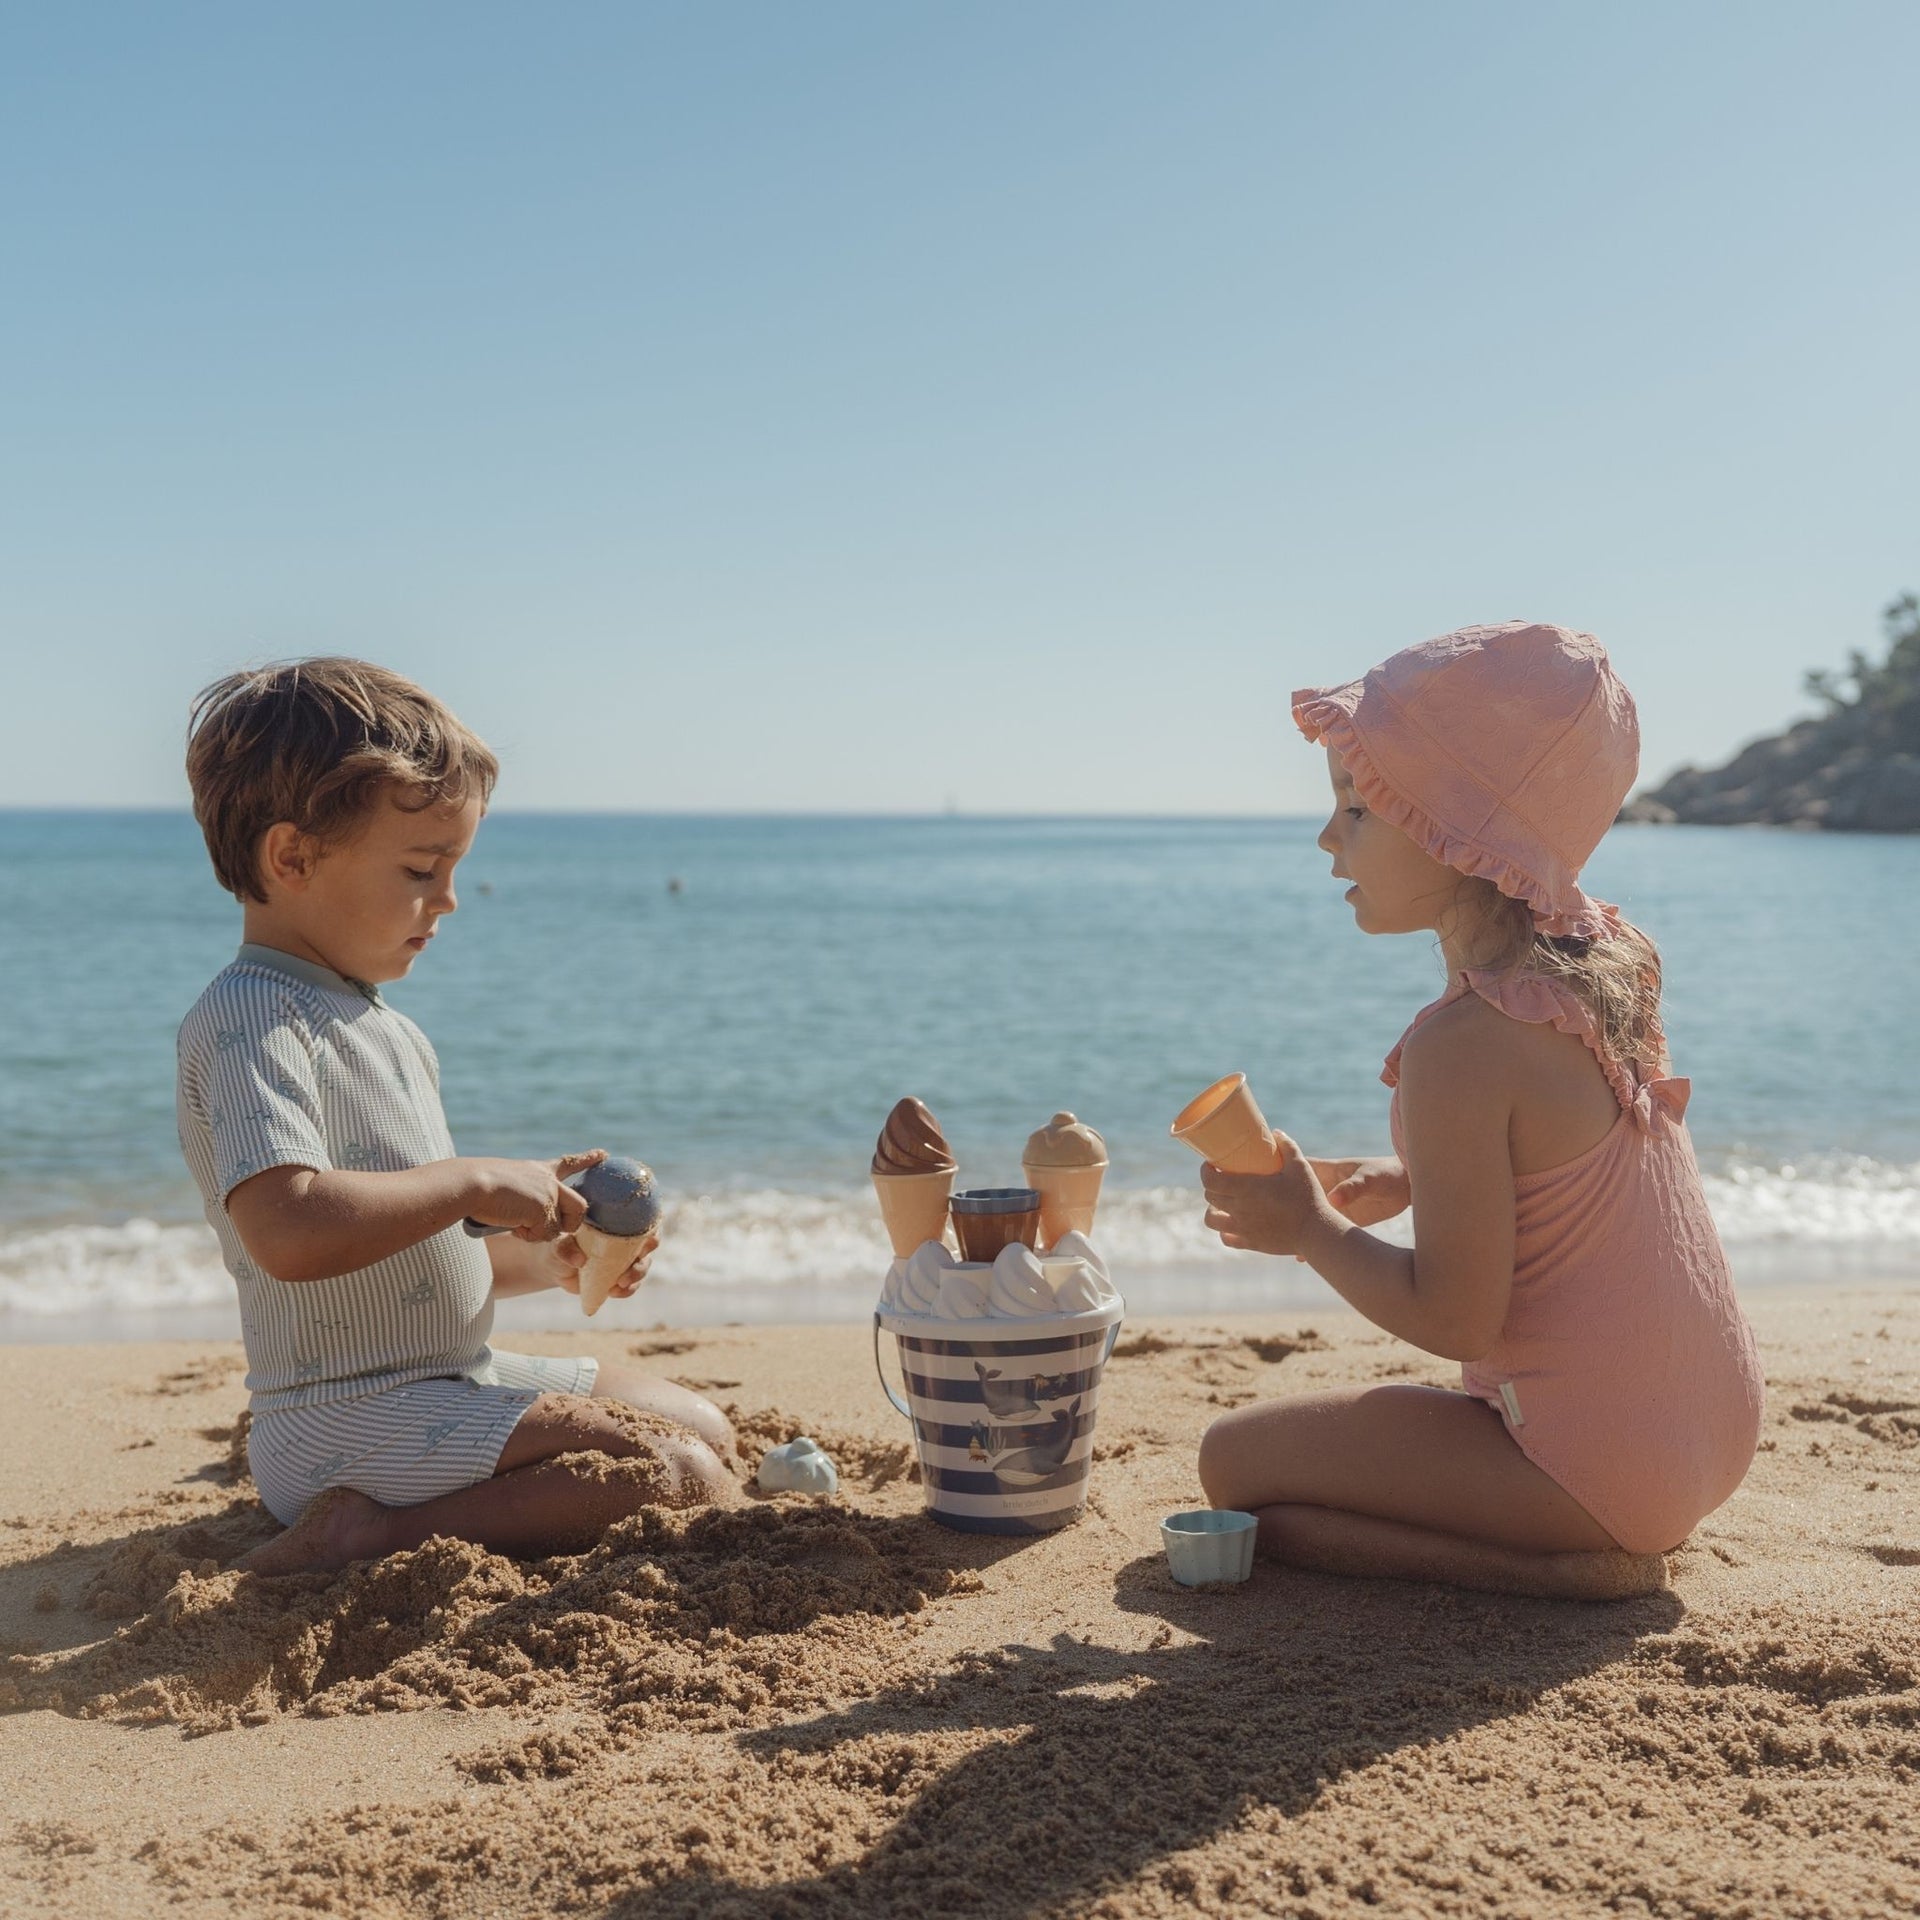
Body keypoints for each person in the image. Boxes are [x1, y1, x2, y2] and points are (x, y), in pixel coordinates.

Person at [1195, 623, 1764, 1599]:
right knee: (1274, 1493)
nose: (1329, 837)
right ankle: (1586, 1537)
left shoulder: (1455, 1048)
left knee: (1232, 1469)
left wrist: (1311, 1230)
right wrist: (1407, 1181)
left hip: (1590, 1472)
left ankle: (1568, 1571)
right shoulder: (1606, 956)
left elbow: (1457, 1318)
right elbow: (1564, 1151)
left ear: (1455, 831)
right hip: (1709, 1433)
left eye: (1357, 809)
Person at [175, 657, 735, 1576]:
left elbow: (416, 1254)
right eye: (422, 868)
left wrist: (547, 1258)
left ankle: (425, 1510)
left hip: (444, 1376)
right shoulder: (250, 1018)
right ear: (293, 857)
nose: (449, 898)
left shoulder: (385, 1027)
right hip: (339, 1414)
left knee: (702, 1428)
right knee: (677, 1474)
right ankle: (364, 1534)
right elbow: (289, 1229)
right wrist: (475, 1179)